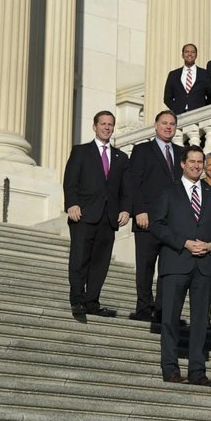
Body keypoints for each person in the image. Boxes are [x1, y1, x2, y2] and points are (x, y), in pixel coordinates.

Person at [148, 145, 211, 386]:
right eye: (191, 161)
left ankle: (197, 371)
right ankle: (170, 369)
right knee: (170, 318)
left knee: (201, 320)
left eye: (199, 161)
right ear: (182, 164)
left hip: (204, 265)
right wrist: (184, 243)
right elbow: (157, 225)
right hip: (176, 261)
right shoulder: (168, 191)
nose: (196, 165)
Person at [63, 110, 131, 321]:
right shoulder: (81, 151)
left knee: (100, 263)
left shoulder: (121, 157)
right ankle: (78, 300)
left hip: (108, 217)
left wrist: (126, 208)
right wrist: (71, 204)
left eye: (110, 124)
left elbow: (125, 188)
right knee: (79, 259)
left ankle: (92, 302)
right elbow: (70, 181)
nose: (107, 127)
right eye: (103, 124)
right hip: (83, 215)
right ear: (95, 126)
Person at [126, 110, 184, 323]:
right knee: (145, 266)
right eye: (164, 123)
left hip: (172, 222)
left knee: (168, 268)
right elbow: (134, 182)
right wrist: (139, 210)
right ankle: (143, 307)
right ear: (156, 126)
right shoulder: (142, 150)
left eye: (172, 124)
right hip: (147, 218)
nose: (168, 127)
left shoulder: (182, 153)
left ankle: (161, 310)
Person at [163, 43, 211, 114]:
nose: (190, 54)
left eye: (193, 52)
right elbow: (167, 98)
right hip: (179, 116)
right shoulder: (173, 75)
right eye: (187, 52)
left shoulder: (204, 73)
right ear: (182, 55)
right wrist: (176, 109)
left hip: (199, 114)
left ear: (196, 55)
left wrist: (203, 108)